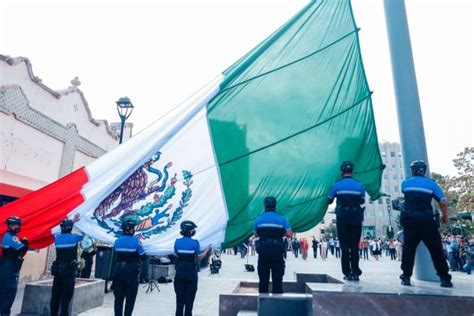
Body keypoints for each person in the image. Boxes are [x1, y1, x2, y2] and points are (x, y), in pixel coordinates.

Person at [399, 160, 452, 287]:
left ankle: (406, 277)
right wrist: (445, 216)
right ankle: (444, 278)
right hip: (427, 220)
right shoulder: (431, 184)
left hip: (410, 220)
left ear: (412, 170)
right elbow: (443, 202)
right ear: (425, 170)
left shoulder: (405, 183)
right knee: (436, 249)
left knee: (408, 249)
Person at [328, 161, 365, 281]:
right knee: (354, 246)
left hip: (342, 217)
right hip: (356, 217)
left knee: (344, 246)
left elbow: (329, 200)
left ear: (342, 171)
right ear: (352, 171)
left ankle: (347, 272)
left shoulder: (336, 185)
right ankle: (356, 272)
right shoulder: (360, 185)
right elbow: (361, 201)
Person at [254, 196, 292, 294]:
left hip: (263, 253)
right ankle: (277, 305)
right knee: (277, 280)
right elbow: (289, 234)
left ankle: (263, 305)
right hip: (277, 253)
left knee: (263, 280)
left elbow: (255, 234)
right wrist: (281, 233)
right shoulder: (282, 219)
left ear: (264, 206)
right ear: (275, 206)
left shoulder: (258, 219)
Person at [174, 220, 211, 316]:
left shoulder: (177, 242)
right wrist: (207, 250)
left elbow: (177, 256)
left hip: (179, 274)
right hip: (191, 273)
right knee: (189, 304)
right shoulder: (195, 243)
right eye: (193, 229)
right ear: (189, 231)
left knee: (179, 302)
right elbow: (199, 258)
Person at [50, 215, 83, 316]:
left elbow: (58, 231)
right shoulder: (74, 238)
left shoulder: (57, 238)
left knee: (55, 297)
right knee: (66, 298)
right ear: (70, 228)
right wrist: (78, 222)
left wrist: (72, 221)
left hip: (58, 272)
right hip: (69, 273)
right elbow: (82, 234)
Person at [113, 220, 145, 316]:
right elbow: (143, 257)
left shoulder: (117, 241)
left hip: (118, 273)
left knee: (118, 300)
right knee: (130, 301)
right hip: (131, 274)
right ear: (130, 230)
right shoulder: (136, 241)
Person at [0, 216, 28, 316]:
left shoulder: (9, 236)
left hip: (8, 269)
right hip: (9, 272)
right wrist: (25, 241)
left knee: (4, 298)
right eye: (16, 225)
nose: (18, 227)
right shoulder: (10, 237)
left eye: (18, 225)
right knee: (7, 298)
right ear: (10, 226)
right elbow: (22, 249)